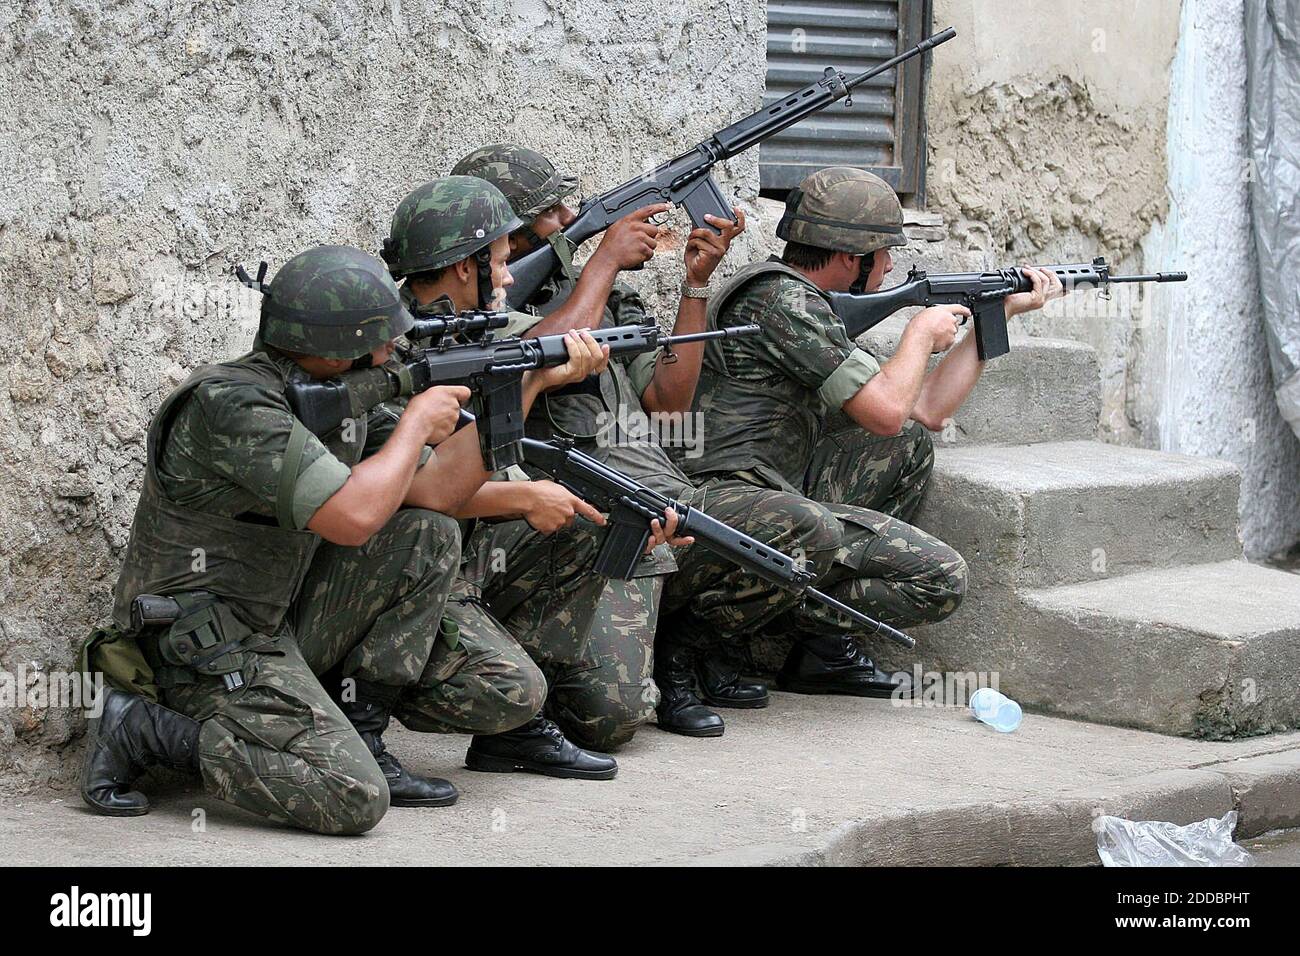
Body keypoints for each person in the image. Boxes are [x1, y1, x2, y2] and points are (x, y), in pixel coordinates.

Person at [81, 244, 606, 832]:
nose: (394, 351)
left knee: (426, 533)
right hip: (198, 645)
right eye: (383, 339)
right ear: (337, 349)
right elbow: (353, 516)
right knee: (352, 795)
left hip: (277, 618)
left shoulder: (344, 396)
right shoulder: (232, 404)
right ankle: (144, 729)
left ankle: (358, 720)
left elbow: (438, 493)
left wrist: (524, 383)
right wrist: (414, 424)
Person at [447, 146, 841, 739]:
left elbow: (667, 401)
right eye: (549, 212)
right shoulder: (475, 312)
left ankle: (679, 655)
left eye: (564, 204)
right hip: (567, 528)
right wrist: (604, 262)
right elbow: (539, 352)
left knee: (805, 532)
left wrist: (695, 285)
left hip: (652, 504)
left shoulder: (591, 292)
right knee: (609, 721)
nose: (567, 216)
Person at [678, 166, 1062, 697]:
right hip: (723, 503)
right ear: (849, 260)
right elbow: (885, 408)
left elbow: (923, 411)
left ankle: (823, 651)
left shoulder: (802, 301)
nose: (888, 266)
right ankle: (704, 639)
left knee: (906, 445)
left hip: (770, 492)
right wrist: (920, 333)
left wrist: (996, 317)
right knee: (941, 577)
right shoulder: (784, 304)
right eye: (883, 254)